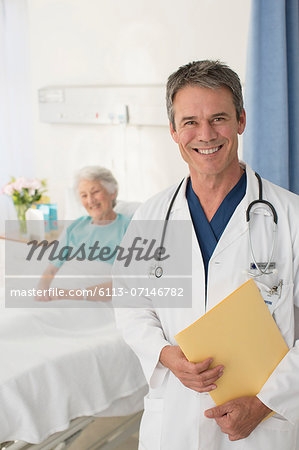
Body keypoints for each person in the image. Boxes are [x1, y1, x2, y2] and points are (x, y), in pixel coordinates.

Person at [113, 61, 299, 449]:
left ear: (241, 121)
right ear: (173, 130)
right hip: (174, 423)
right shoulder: (150, 216)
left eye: (219, 118)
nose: (206, 135)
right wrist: (165, 354)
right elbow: (131, 305)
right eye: (190, 122)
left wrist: (265, 402)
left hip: (265, 427)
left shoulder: (291, 215)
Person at [36, 166, 131, 301]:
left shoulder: (128, 228)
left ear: (112, 192)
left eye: (95, 192)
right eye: (84, 195)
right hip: (58, 294)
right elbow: (51, 269)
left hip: (92, 300)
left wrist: (70, 294)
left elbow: (126, 284)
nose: (90, 200)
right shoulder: (75, 227)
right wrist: (42, 289)